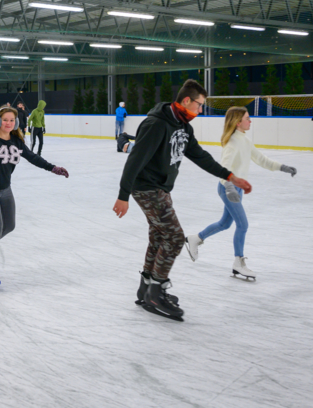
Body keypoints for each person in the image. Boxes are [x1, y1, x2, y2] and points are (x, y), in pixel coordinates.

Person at [112, 79, 252, 322]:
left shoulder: (184, 127)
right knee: (175, 238)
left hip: (160, 188)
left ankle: (146, 287)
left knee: (159, 235)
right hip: (146, 187)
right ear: (186, 101)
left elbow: (200, 156)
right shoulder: (156, 124)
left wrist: (229, 176)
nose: (200, 111)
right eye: (199, 106)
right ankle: (157, 292)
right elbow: (134, 160)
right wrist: (123, 195)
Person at [185, 107, 297, 281]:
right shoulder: (232, 143)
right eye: (247, 118)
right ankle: (238, 263)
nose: (250, 121)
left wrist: (282, 167)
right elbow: (224, 169)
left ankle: (196, 238)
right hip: (227, 188)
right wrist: (229, 188)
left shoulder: (244, 140)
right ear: (238, 122)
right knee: (242, 225)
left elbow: (262, 159)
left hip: (235, 189)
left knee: (224, 223)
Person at [0, 106, 69, 290]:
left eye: (12, 120)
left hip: (5, 189)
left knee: (10, 226)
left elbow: (33, 157)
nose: (8, 123)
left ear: (16, 123)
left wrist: (52, 168)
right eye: (5, 119)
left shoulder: (17, 142)